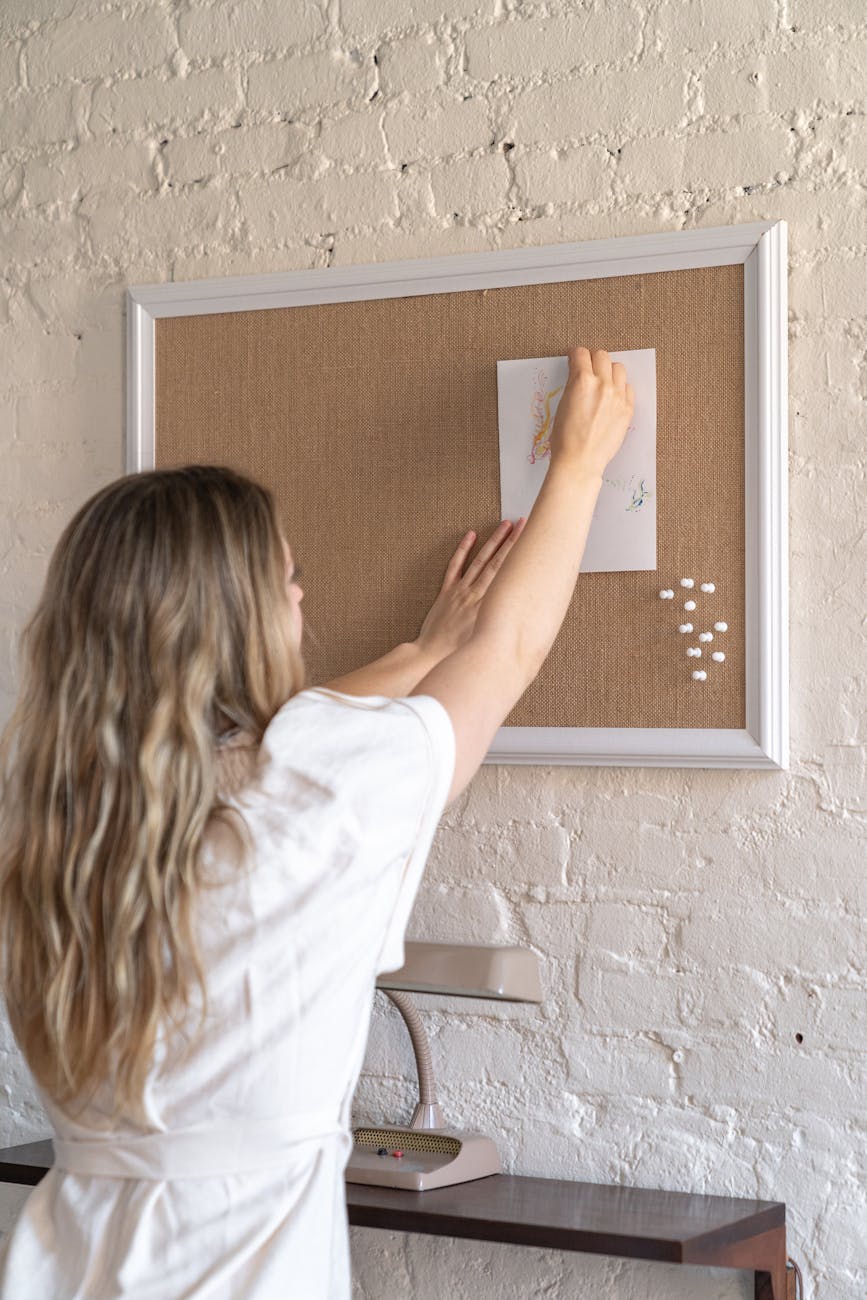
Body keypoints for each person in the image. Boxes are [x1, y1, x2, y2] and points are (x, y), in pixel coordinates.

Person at [0, 346, 633, 1298]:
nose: (302, 597)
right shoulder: (321, 788)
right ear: (240, 617)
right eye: (288, 579)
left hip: (68, 1259)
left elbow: (234, 748)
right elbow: (510, 648)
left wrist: (420, 650)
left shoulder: (51, 820)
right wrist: (579, 464)